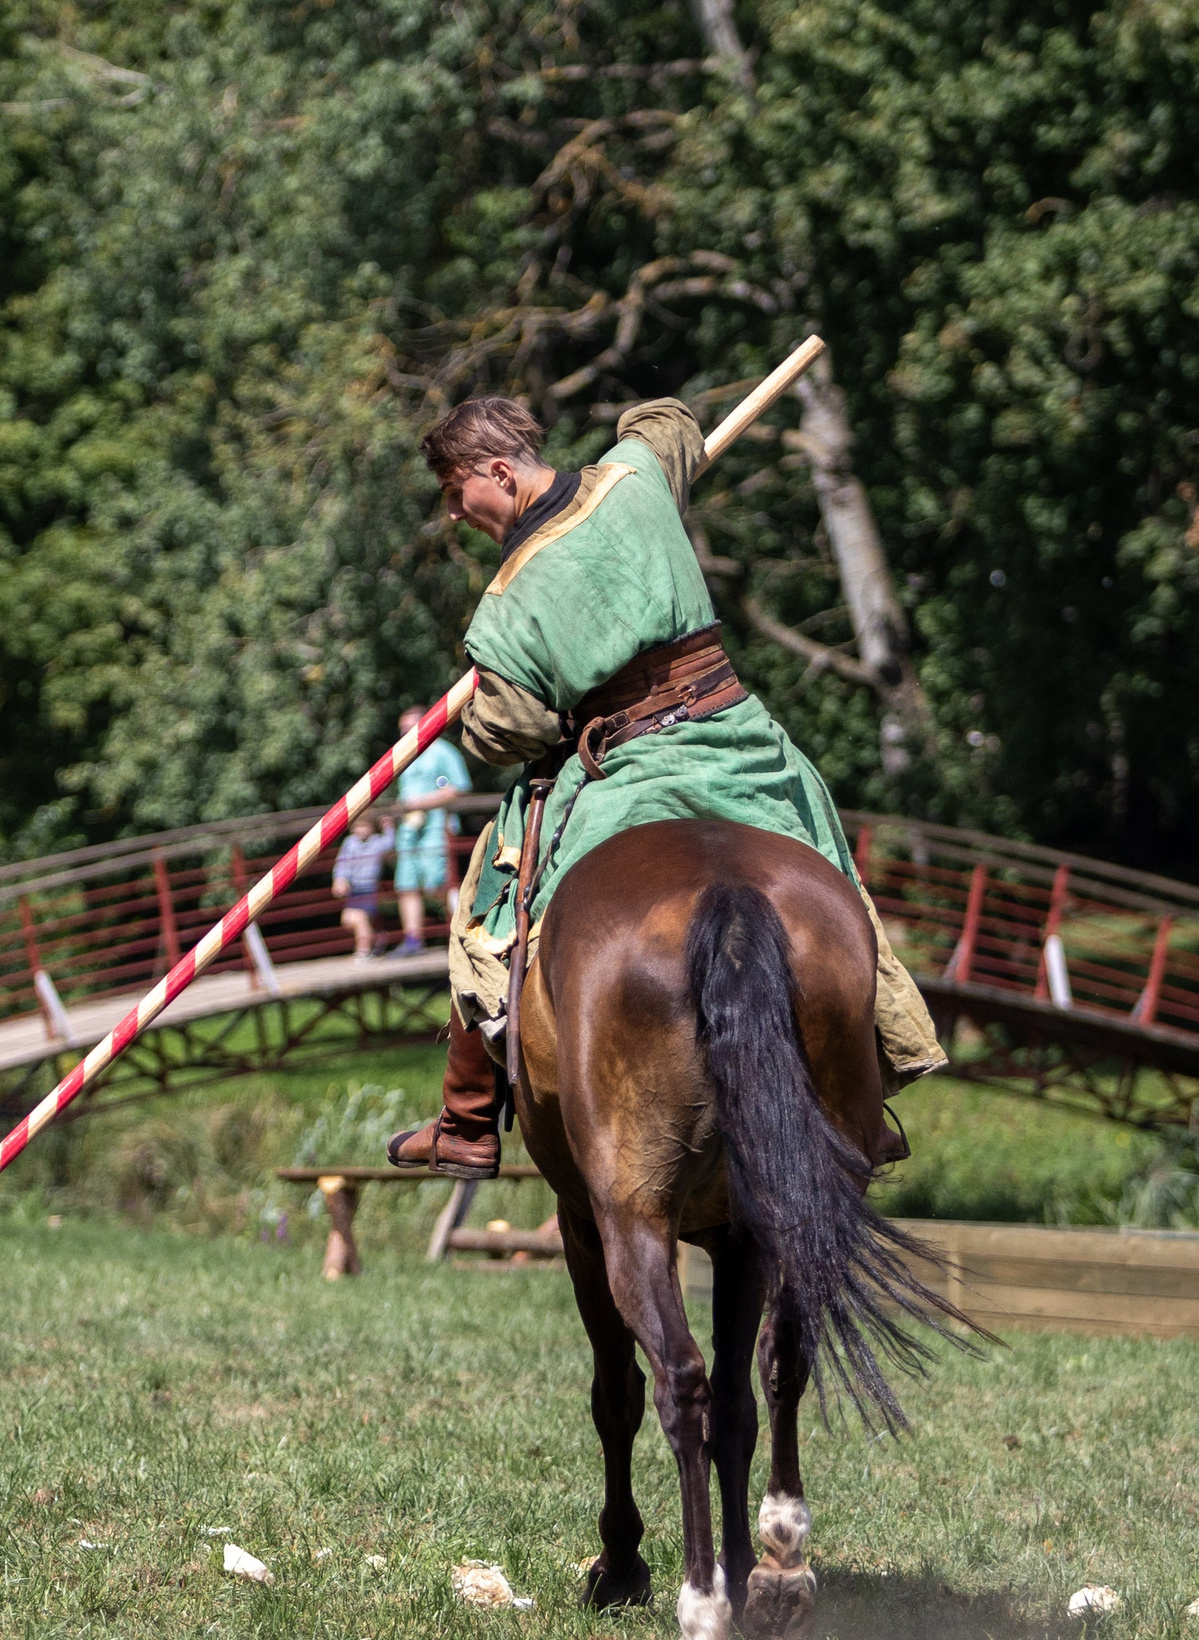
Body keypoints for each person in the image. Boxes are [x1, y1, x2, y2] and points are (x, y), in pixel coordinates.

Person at [383, 393, 946, 1179]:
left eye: (454, 492)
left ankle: (468, 1120)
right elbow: (668, 422)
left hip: (625, 771)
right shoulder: (634, 476)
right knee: (826, 863)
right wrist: (643, 446)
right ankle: (865, 1089)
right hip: (740, 743)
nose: (453, 514)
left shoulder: (508, 602)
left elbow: (508, 734)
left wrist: (484, 705)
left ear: (500, 472)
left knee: (489, 888)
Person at [390, 707, 472, 957]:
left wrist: (420, 804)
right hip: (409, 829)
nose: (404, 734)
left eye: (409, 727)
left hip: (437, 826)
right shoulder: (404, 756)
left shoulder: (443, 752)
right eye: (401, 729)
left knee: (439, 883)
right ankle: (413, 939)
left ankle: (463, 934)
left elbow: (458, 789)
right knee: (406, 883)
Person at [331, 811, 392, 959]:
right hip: (354, 888)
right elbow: (342, 863)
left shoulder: (376, 842)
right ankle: (376, 937)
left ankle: (363, 951)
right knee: (347, 920)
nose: (362, 830)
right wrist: (339, 880)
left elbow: (389, 844)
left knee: (360, 918)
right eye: (358, 826)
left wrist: (388, 827)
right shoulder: (349, 843)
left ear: (371, 827)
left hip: (369, 888)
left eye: (365, 826)